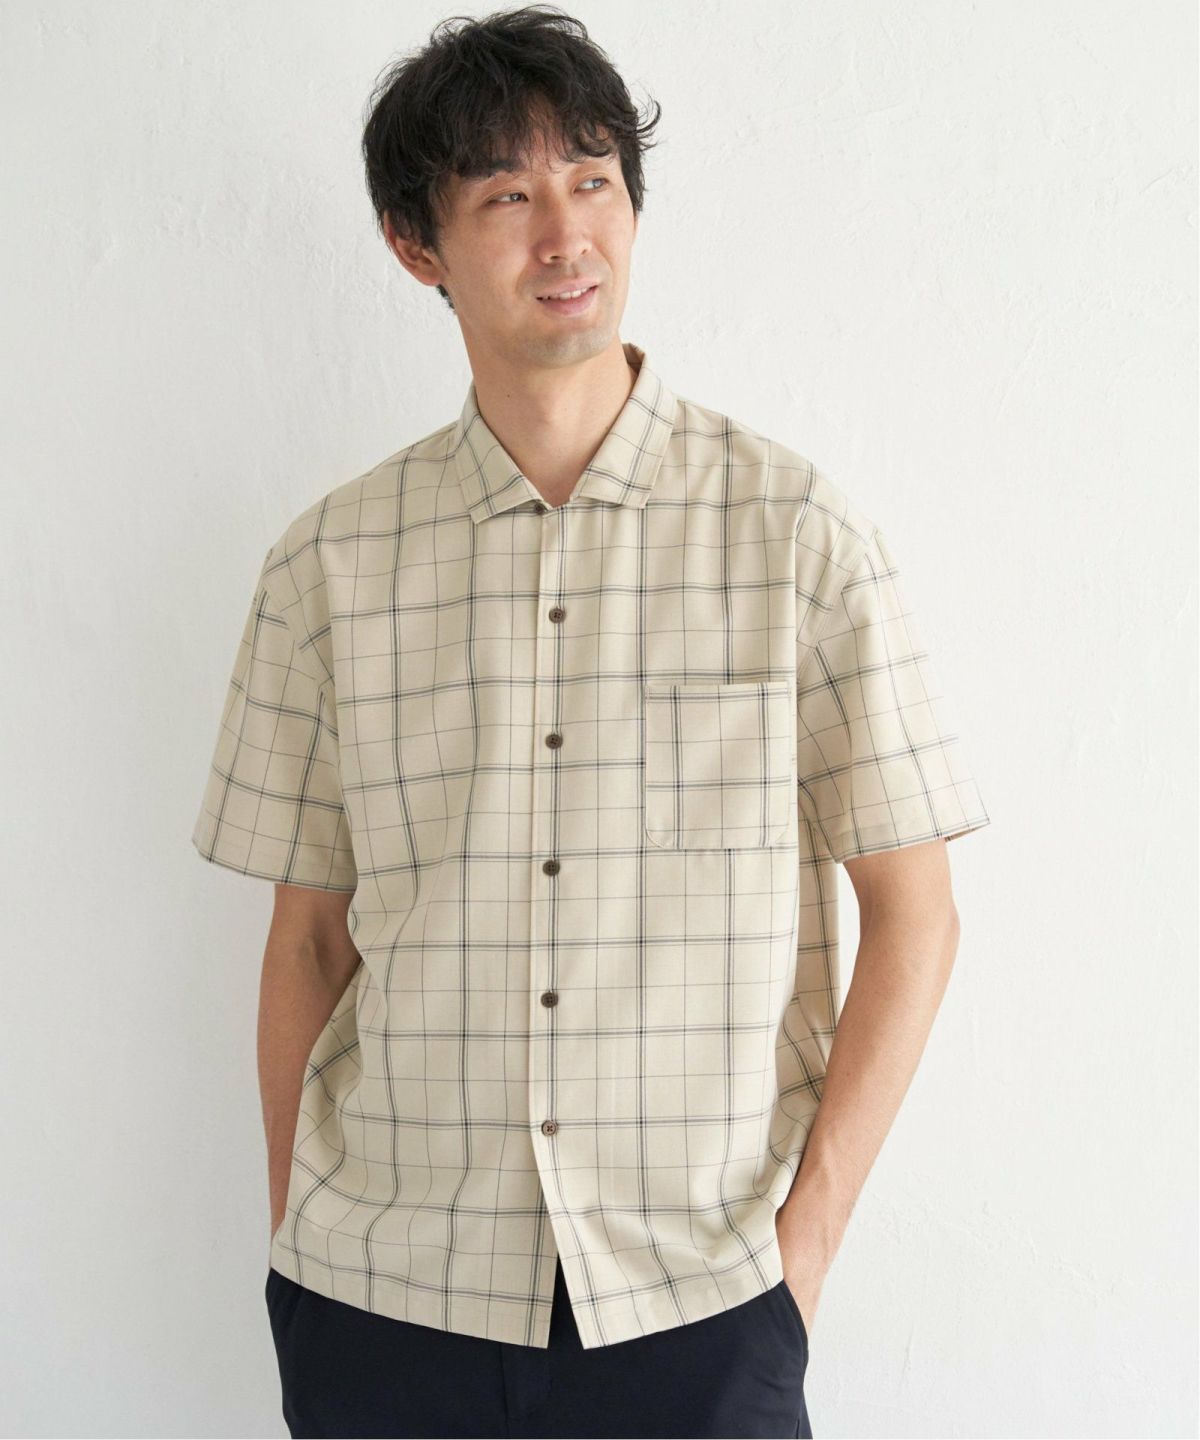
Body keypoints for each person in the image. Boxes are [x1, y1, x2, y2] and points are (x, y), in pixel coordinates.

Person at [190, 6, 992, 1437]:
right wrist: (293, 1239)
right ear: (417, 246)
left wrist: (801, 1256)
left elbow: (914, 911)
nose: (566, 234)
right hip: (386, 1297)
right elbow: (307, 938)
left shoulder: (795, 535)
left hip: (698, 1302)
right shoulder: (329, 565)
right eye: (507, 196)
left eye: (595, 181)